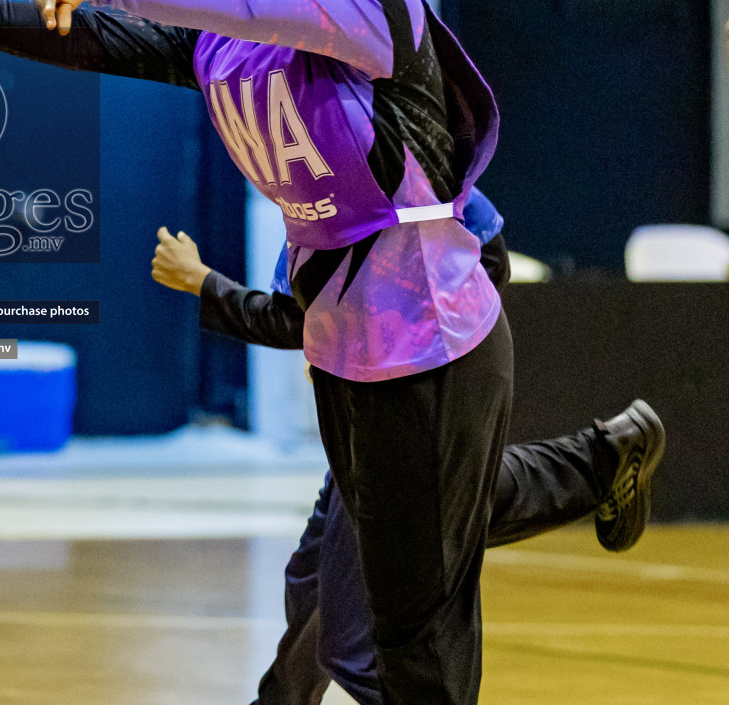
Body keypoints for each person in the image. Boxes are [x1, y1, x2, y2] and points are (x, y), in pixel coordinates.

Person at [0, 0, 660, 704]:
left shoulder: (374, 0)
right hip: (346, 348)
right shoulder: (231, 50)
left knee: (410, 624)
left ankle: (600, 464)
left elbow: (253, 0)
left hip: (435, 339)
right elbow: (92, 43)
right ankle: (603, 461)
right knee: (381, 559)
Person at [149, 193, 662, 705]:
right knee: (320, 580)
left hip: (398, 399)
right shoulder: (377, 171)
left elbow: (297, 319)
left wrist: (204, 282)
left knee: (363, 632)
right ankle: (604, 460)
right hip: (385, 396)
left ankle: (601, 462)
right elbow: (488, 260)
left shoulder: (357, 179)